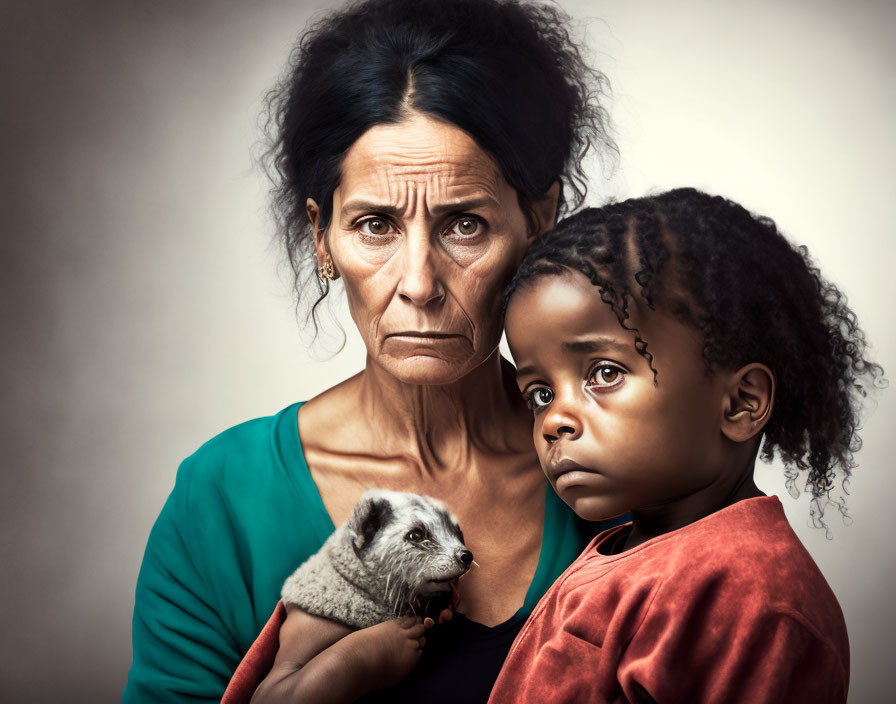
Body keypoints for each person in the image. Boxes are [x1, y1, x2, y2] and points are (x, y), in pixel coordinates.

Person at [121, 0, 618, 702]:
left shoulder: (627, 469)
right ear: (323, 238)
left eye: (465, 224)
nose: (418, 284)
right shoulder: (225, 503)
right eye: (376, 225)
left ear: (538, 222)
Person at [489, 188, 884, 703]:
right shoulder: (631, 551)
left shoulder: (750, 596)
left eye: (604, 373)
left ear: (741, 403)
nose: (555, 420)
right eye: (541, 393)